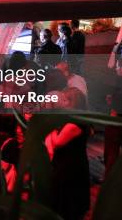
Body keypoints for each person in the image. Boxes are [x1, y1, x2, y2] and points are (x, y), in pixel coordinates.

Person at [45, 88, 90, 220]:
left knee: (68, 203)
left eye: (64, 100)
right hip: (67, 164)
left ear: (73, 103)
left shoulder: (74, 123)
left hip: (71, 167)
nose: (61, 102)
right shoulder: (70, 119)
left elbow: (57, 142)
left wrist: (50, 127)